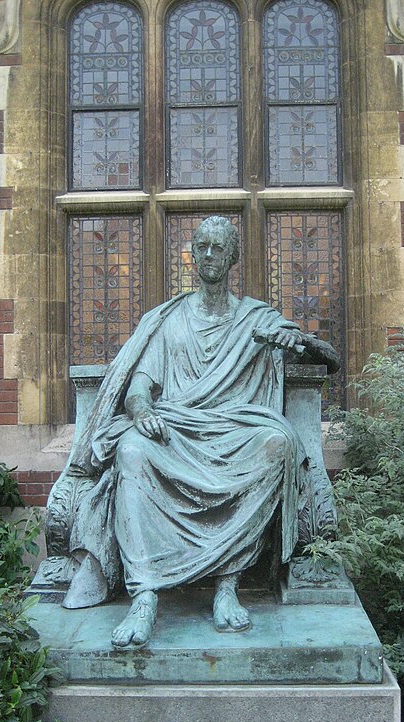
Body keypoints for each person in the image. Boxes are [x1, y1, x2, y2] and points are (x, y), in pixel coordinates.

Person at [47, 216, 339, 647]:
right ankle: (144, 594)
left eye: (216, 248)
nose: (207, 255)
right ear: (192, 256)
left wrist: (302, 343)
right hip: (177, 429)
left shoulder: (257, 319)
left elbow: (330, 360)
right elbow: (140, 387)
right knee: (131, 449)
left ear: (232, 257)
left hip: (235, 429)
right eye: (200, 247)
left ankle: (227, 586)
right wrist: (142, 409)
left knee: (277, 443)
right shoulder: (170, 320)